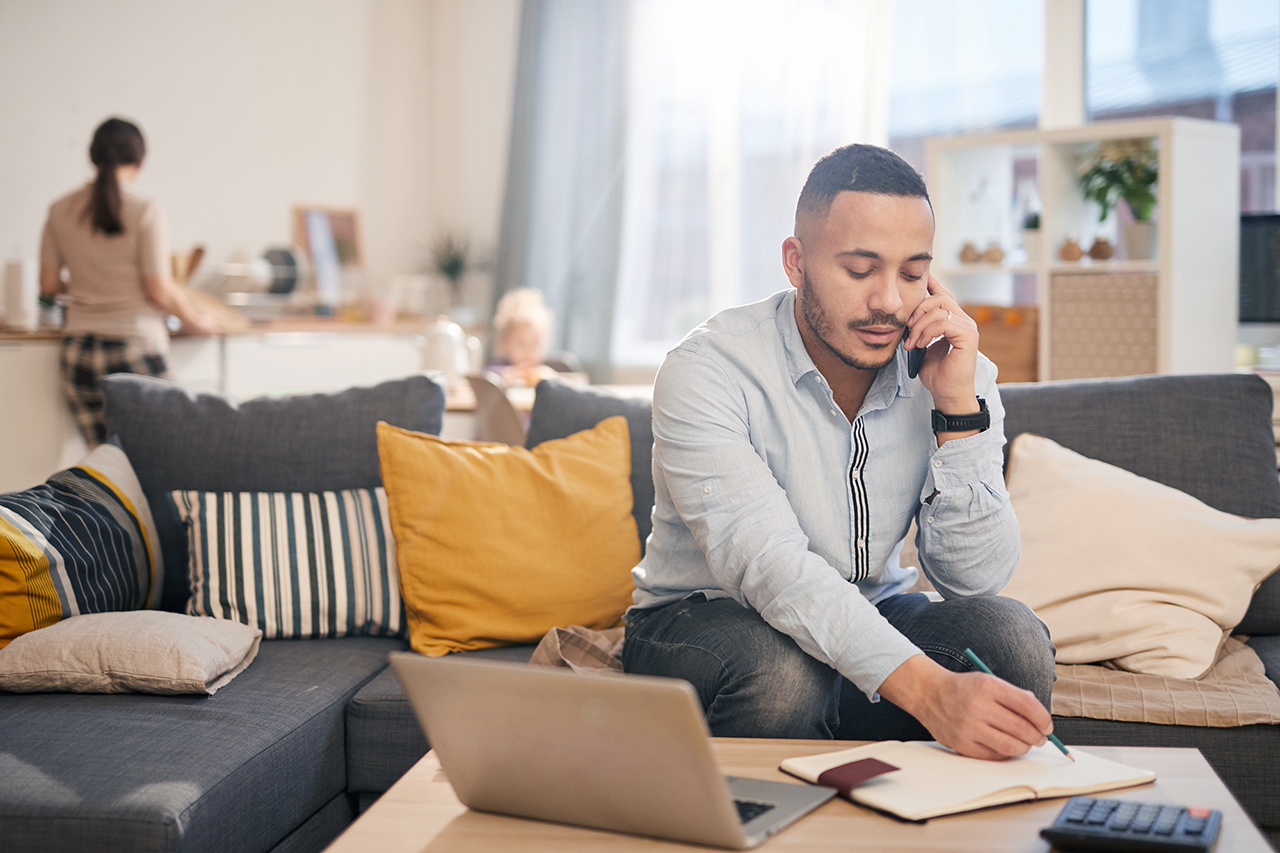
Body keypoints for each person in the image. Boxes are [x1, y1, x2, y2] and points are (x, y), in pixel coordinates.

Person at [622, 143, 1057, 761]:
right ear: (795, 263)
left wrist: (956, 412)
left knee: (1011, 641)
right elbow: (771, 568)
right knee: (781, 676)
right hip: (704, 625)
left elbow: (976, 580)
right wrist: (931, 693)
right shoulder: (708, 370)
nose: (889, 301)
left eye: (912, 274)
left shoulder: (958, 372)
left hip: (866, 613)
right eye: (860, 270)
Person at [39, 117, 218, 447]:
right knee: (172, 454)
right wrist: (198, 321)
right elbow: (158, 288)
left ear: (93, 157)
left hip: (79, 352)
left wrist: (87, 284)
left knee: (107, 466)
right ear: (140, 162)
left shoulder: (59, 209)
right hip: (135, 347)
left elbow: (48, 284)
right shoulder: (145, 209)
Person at [488, 288, 579, 386]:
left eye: (535, 344)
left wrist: (551, 378)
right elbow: (488, 378)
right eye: (521, 344)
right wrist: (507, 375)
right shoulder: (498, 368)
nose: (528, 351)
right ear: (505, 343)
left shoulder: (543, 372)